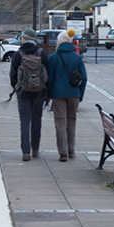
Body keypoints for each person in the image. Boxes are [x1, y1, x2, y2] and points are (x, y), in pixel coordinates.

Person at [46, 29, 87, 162]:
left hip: (58, 94)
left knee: (60, 122)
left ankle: (63, 152)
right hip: (74, 93)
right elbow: (84, 78)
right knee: (71, 121)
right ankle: (71, 150)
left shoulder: (54, 57)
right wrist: (80, 94)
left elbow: (49, 78)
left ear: (59, 42)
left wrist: (49, 94)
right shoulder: (77, 57)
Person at [9, 28, 48, 161]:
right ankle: (35, 149)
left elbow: (12, 75)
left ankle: (26, 152)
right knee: (37, 120)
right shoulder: (41, 53)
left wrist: (17, 88)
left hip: (23, 92)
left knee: (25, 122)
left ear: (24, 39)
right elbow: (48, 73)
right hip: (39, 92)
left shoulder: (18, 54)